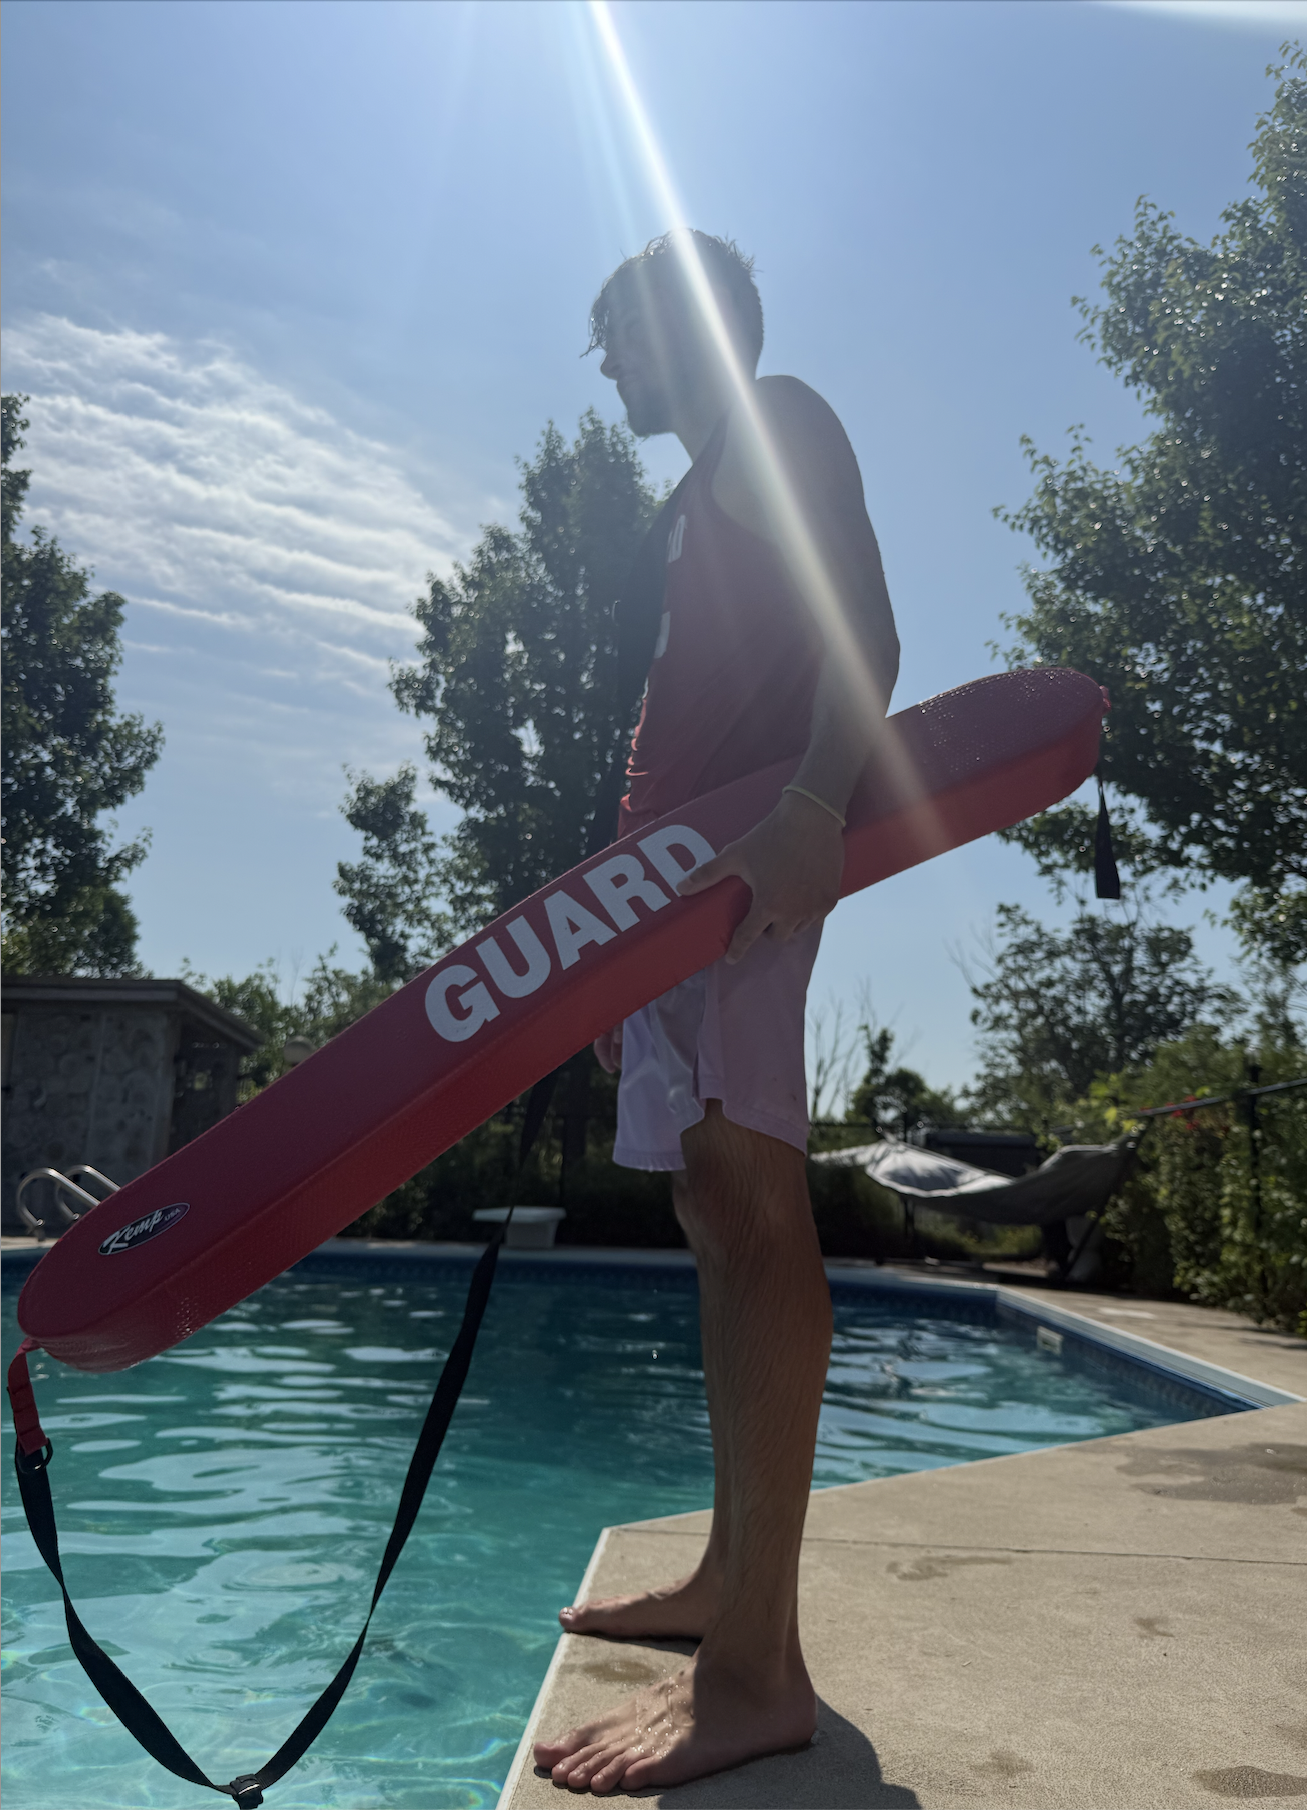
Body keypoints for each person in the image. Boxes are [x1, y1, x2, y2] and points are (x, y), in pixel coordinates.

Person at [531, 231, 899, 1795]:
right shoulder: (697, 494)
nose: (607, 358)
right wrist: (618, 917)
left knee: (755, 1226)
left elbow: (866, 631)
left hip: (745, 877)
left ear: (693, 325)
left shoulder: (780, 421)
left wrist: (817, 802)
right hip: (671, 899)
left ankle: (757, 1669)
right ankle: (726, 1582)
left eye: (619, 330)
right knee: (705, 1212)